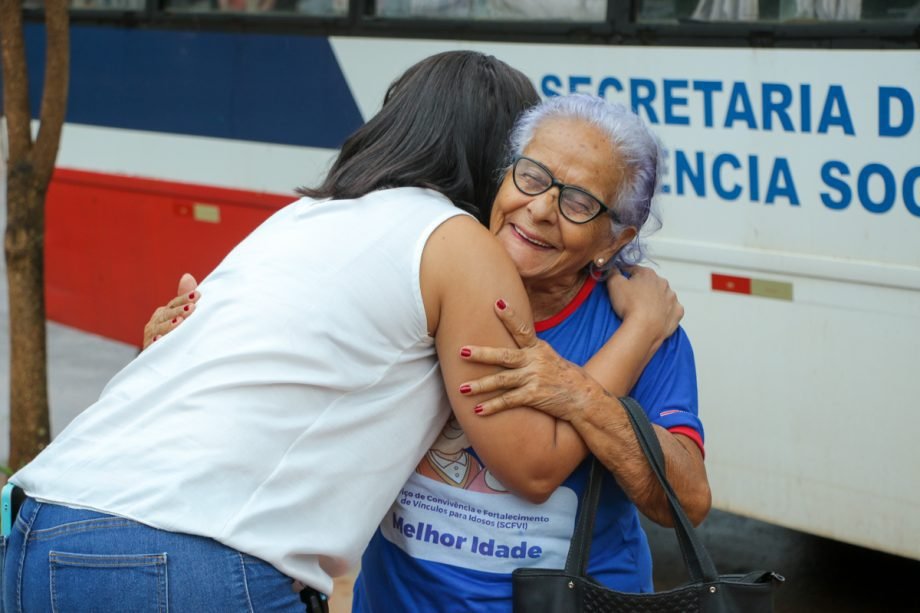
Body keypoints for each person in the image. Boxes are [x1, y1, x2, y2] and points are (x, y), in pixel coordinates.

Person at [1, 50, 547, 612]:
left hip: (43, 526)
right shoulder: (458, 240)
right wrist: (641, 327)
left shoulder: (304, 218)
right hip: (179, 552)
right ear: (498, 158)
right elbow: (530, 464)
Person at [145, 94, 711, 611]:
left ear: (614, 239)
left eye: (579, 202)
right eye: (532, 176)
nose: (540, 209)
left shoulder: (635, 326)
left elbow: (686, 501)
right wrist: (187, 348)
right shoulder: (410, 287)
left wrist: (581, 395)